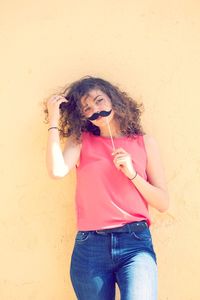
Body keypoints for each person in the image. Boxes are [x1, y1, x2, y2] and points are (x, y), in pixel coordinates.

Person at [44, 76, 169, 300]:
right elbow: (57, 171)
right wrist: (54, 120)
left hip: (135, 242)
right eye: (87, 108)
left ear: (114, 99)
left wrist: (132, 174)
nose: (96, 110)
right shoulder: (80, 141)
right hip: (90, 246)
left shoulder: (144, 142)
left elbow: (162, 203)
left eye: (100, 100)